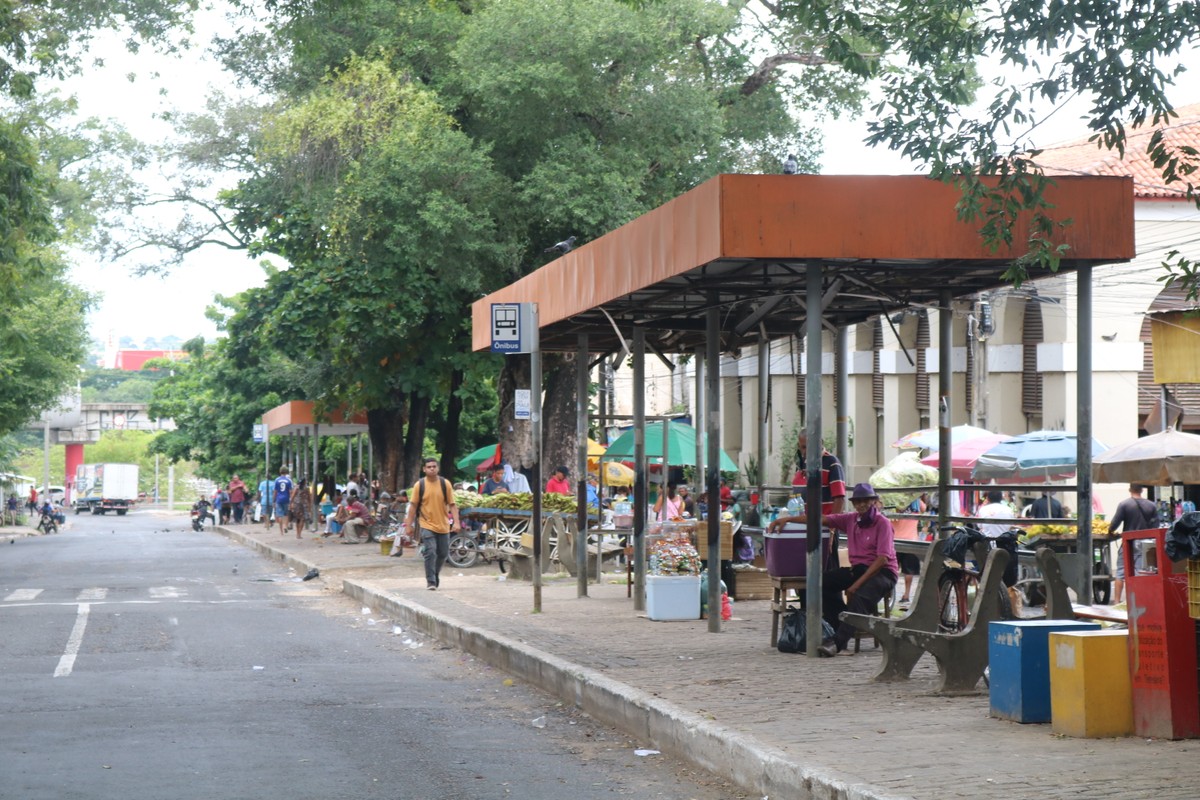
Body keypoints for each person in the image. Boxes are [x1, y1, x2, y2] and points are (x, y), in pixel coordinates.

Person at [815, 483, 899, 657]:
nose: (861, 505)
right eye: (858, 501)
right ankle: (841, 625)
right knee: (821, 583)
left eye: (866, 501)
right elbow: (823, 519)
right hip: (860, 569)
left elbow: (882, 559)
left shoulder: (882, 523)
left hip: (883, 572)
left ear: (874, 501)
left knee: (859, 596)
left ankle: (837, 643)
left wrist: (856, 585)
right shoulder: (851, 519)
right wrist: (785, 520)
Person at [404, 457, 461, 590]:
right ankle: (431, 581)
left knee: (443, 553)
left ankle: (435, 573)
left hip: (443, 525)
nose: (432, 468)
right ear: (424, 469)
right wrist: (408, 525)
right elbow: (413, 506)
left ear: (438, 468)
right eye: (429, 467)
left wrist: (456, 522)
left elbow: (452, 504)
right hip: (426, 524)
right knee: (430, 552)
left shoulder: (445, 483)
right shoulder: (420, 485)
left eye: (434, 466)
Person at [1110, 484, 1159, 604]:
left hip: (1129, 542)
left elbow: (1114, 524)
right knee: (1140, 573)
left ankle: (1117, 602)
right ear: (1142, 490)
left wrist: (1110, 531)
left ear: (1130, 489)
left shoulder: (1124, 504)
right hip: (1146, 543)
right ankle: (1138, 601)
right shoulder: (1151, 505)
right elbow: (1156, 525)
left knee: (1121, 572)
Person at [792, 433, 847, 515]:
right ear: (799, 446)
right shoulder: (801, 463)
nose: (807, 451)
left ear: (820, 443)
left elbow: (839, 499)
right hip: (802, 523)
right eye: (804, 447)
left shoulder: (831, 462)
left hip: (824, 524)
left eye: (811, 446)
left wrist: (832, 525)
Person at [273, 466, 294, 536]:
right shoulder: (289, 480)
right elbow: (290, 491)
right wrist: (291, 501)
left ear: (280, 471)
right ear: (287, 472)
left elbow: (275, 491)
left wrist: (274, 500)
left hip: (279, 499)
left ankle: (281, 531)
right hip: (286, 499)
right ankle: (285, 526)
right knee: (286, 514)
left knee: (280, 515)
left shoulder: (277, 480)